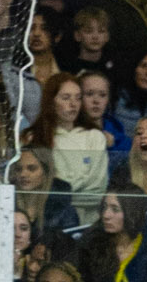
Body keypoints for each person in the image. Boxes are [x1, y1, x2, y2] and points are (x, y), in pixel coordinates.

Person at [27, 73, 108, 227]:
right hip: (49, 220)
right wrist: (81, 181)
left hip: (90, 222)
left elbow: (97, 188)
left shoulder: (95, 137)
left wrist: (62, 188)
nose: (73, 104)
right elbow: (39, 189)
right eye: (66, 98)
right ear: (51, 101)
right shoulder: (34, 138)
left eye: (78, 98)